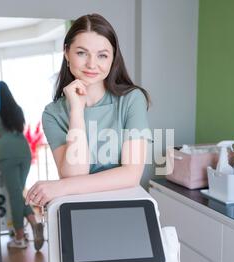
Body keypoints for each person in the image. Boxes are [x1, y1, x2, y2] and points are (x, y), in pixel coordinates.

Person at [25, 14, 151, 206]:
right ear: (66, 53)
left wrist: (60, 187)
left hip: (126, 208)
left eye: (102, 55)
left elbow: (131, 174)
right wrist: (76, 109)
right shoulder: (53, 114)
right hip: (77, 212)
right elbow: (75, 173)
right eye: (82, 53)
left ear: (113, 58)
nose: (92, 64)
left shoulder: (132, 100)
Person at [0, 81, 44, 250]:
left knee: (15, 196)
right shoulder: (17, 109)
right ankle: (34, 224)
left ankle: (20, 238)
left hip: (7, 153)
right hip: (24, 151)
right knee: (20, 194)